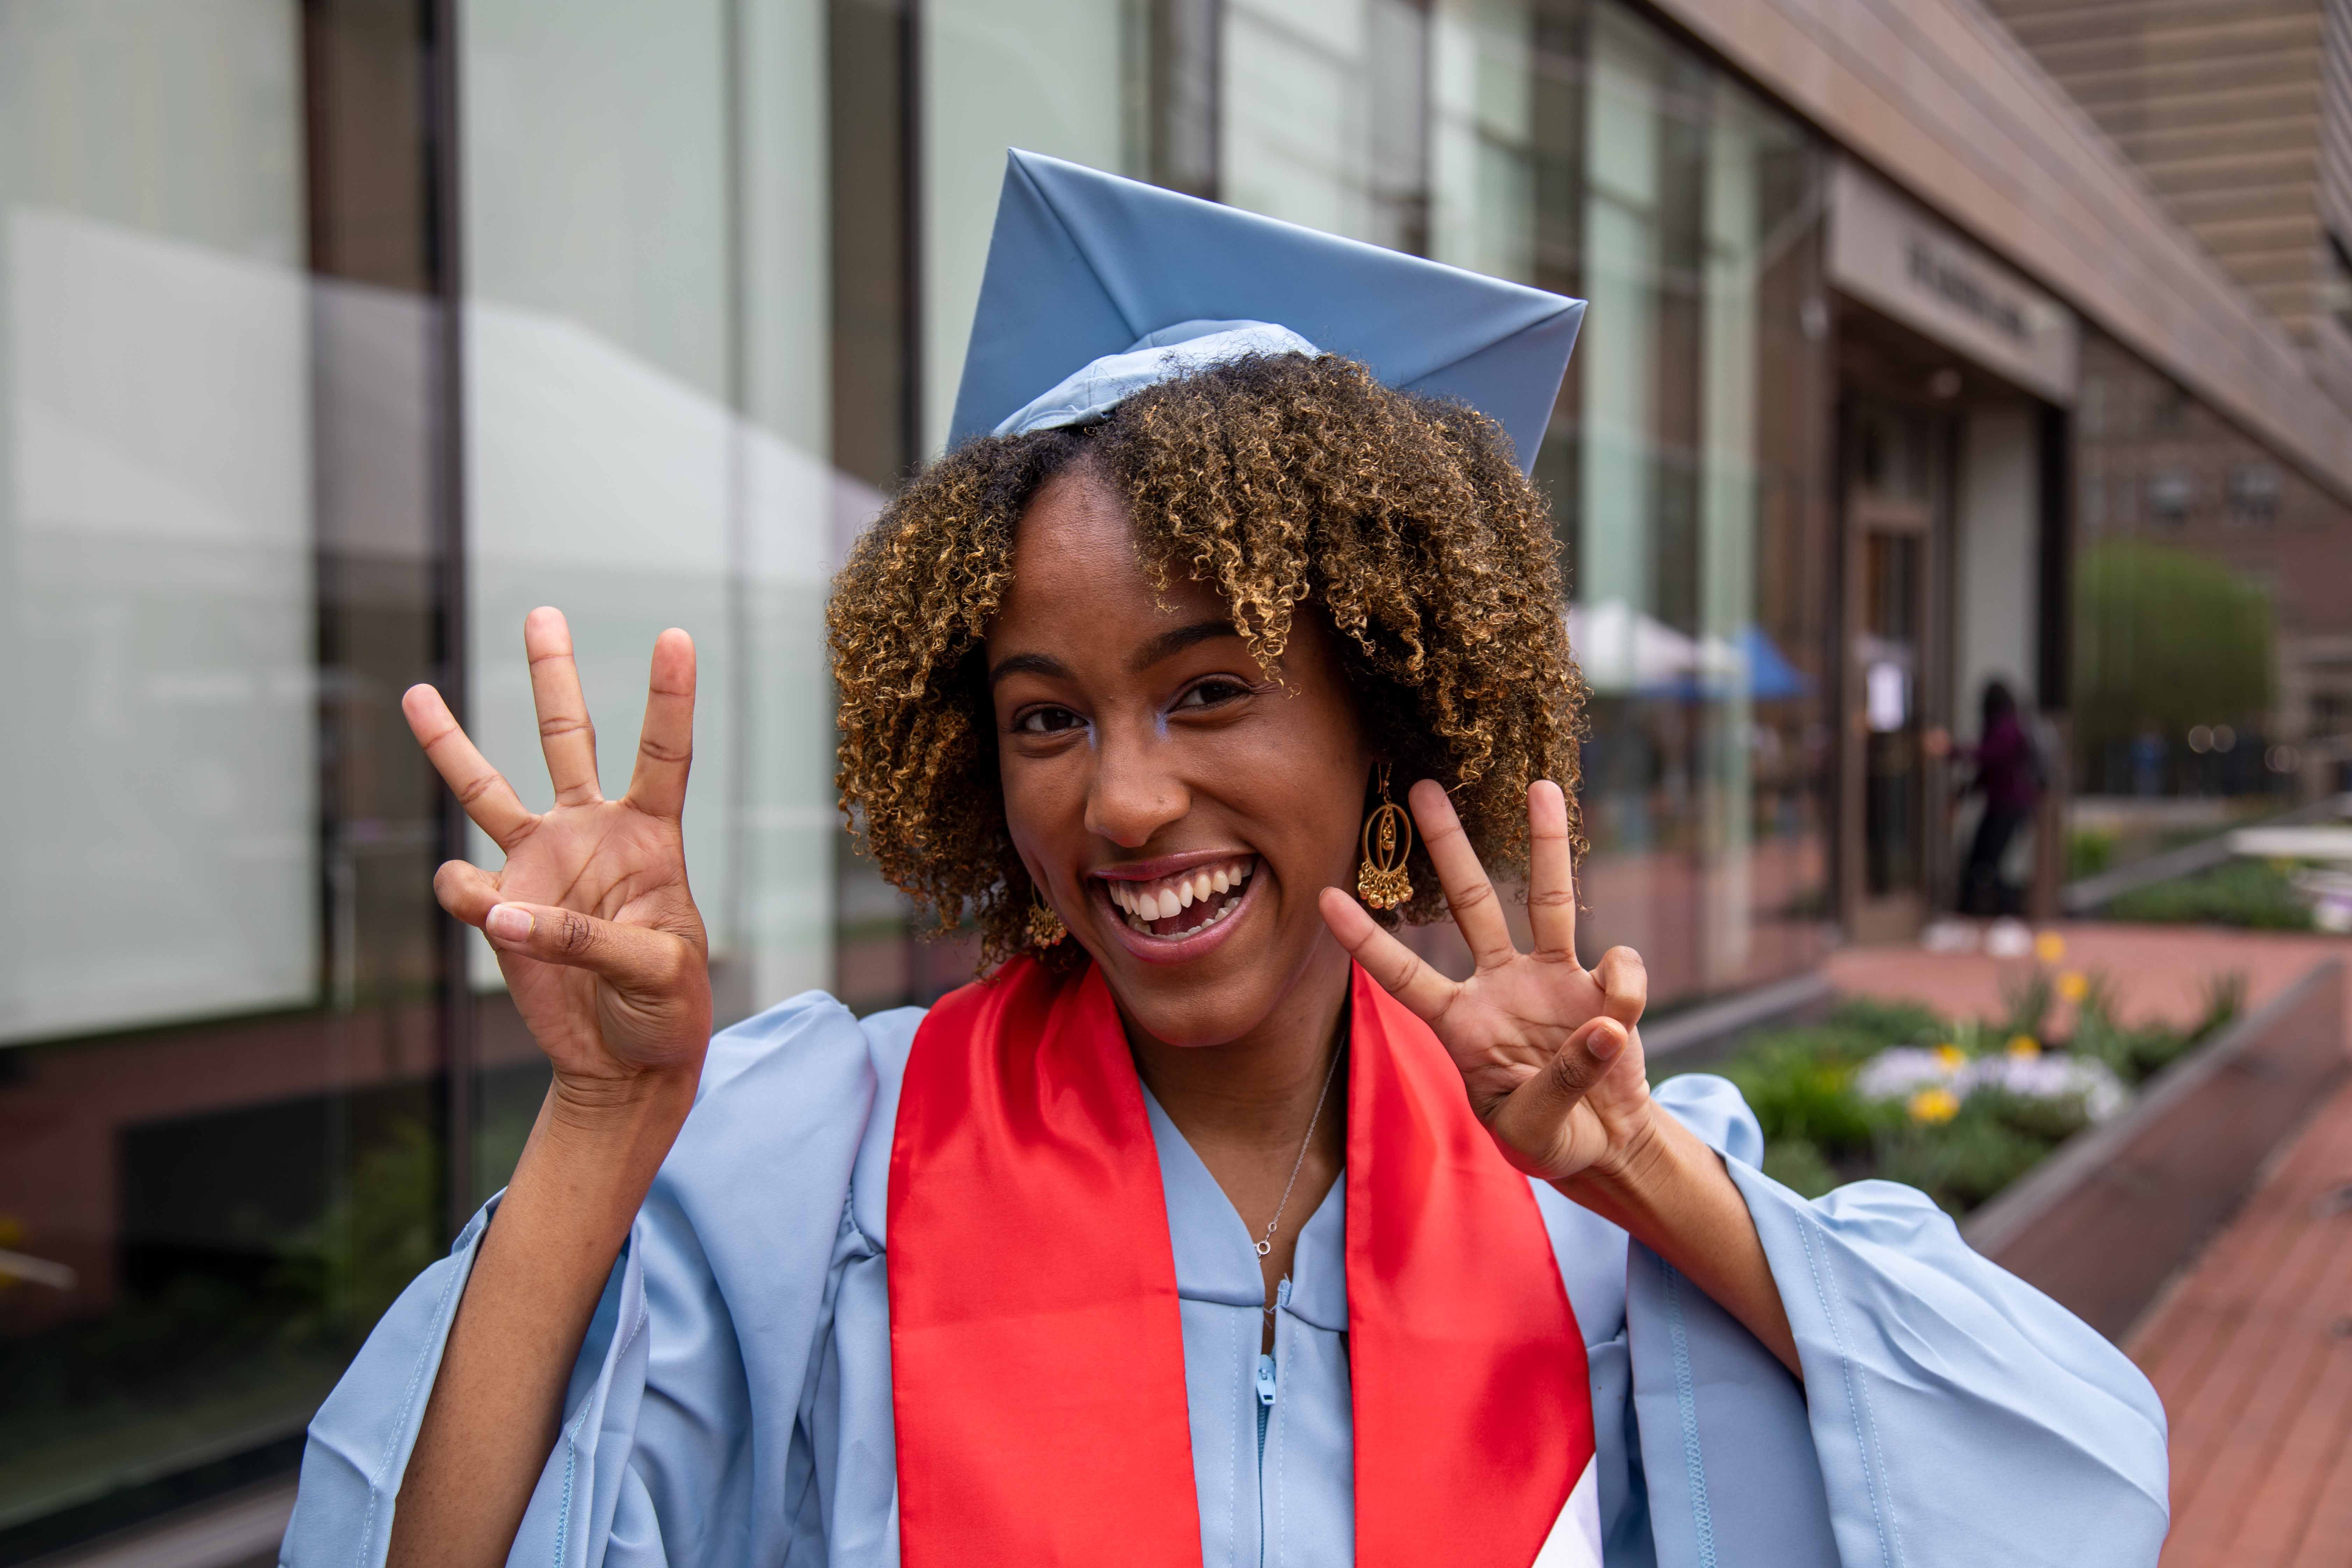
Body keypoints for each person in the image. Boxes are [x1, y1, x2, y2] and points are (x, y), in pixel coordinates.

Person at [282, 154, 2167, 1567]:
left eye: (1208, 690)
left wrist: (1646, 1177)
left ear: (1387, 709)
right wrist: (609, 1125)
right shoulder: (817, 1158)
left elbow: (2076, 1494)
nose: (1117, 802)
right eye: (1045, 715)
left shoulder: (1587, 1201)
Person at [1958, 679, 2042, 917]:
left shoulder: (2009, 728)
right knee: (1980, 859)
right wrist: (1961, 794)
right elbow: (1987, 772)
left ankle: (2008, 913)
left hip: (2011, 806)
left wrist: (1951, 751)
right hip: (2002, 805)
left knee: (1990, 861)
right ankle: (1971, 912)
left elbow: (1990, 757)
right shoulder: (2002, 726)